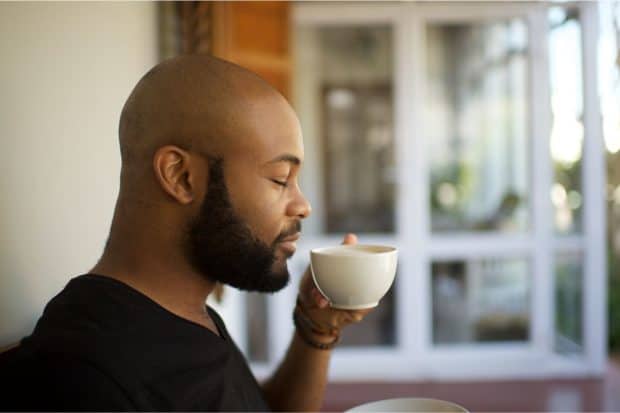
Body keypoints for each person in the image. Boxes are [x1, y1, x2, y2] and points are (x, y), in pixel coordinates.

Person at [0, 55, 375, 411]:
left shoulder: (190, 317)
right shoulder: (84, 379)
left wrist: (317, 326)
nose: (303, 205)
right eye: (280, 179)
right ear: (180, 176)